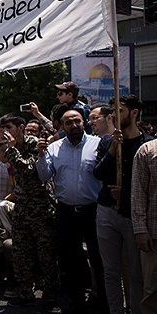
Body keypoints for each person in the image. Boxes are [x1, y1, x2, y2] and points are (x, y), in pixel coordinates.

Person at [37, 109, 107, 313]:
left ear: (84, 121)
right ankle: (73, 300)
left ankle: (99, 298)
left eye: (77, 121)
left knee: (97, 256)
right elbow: (43, 176)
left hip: (93, 211)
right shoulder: (53, 148)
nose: (73, 125)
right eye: (68, 123)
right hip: (66, 211)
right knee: (69, 257)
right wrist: (41, 155)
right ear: (61, 126)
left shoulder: (98, 144)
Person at [94, 95, 151, 314]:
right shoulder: (109, 141)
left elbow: (149, 186)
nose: (113, 115)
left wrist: (125, 194)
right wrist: (112, 149)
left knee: (136, 272)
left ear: (134, 113)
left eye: (119, 110)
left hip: (132, 215)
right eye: (111, 111)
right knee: (111, 271)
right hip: (107, 211)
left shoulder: (147, 144)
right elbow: (98, 173)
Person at [0, 113, 59, 309]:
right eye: (3, 129)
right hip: (23, 207)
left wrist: (11, 151)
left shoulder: (34, 144)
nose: (6, 133)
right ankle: (25, 292)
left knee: (46, 254)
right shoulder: (11, 148)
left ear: (21, 128)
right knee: (20, 252)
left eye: (9, 127)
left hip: (41, 208)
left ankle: (51, 294)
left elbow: (30, 171)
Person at [131, 140, 157, 313]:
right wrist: (140, 229)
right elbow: (138, 193)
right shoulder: (147, 151)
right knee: (152, 291)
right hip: (154, 234)